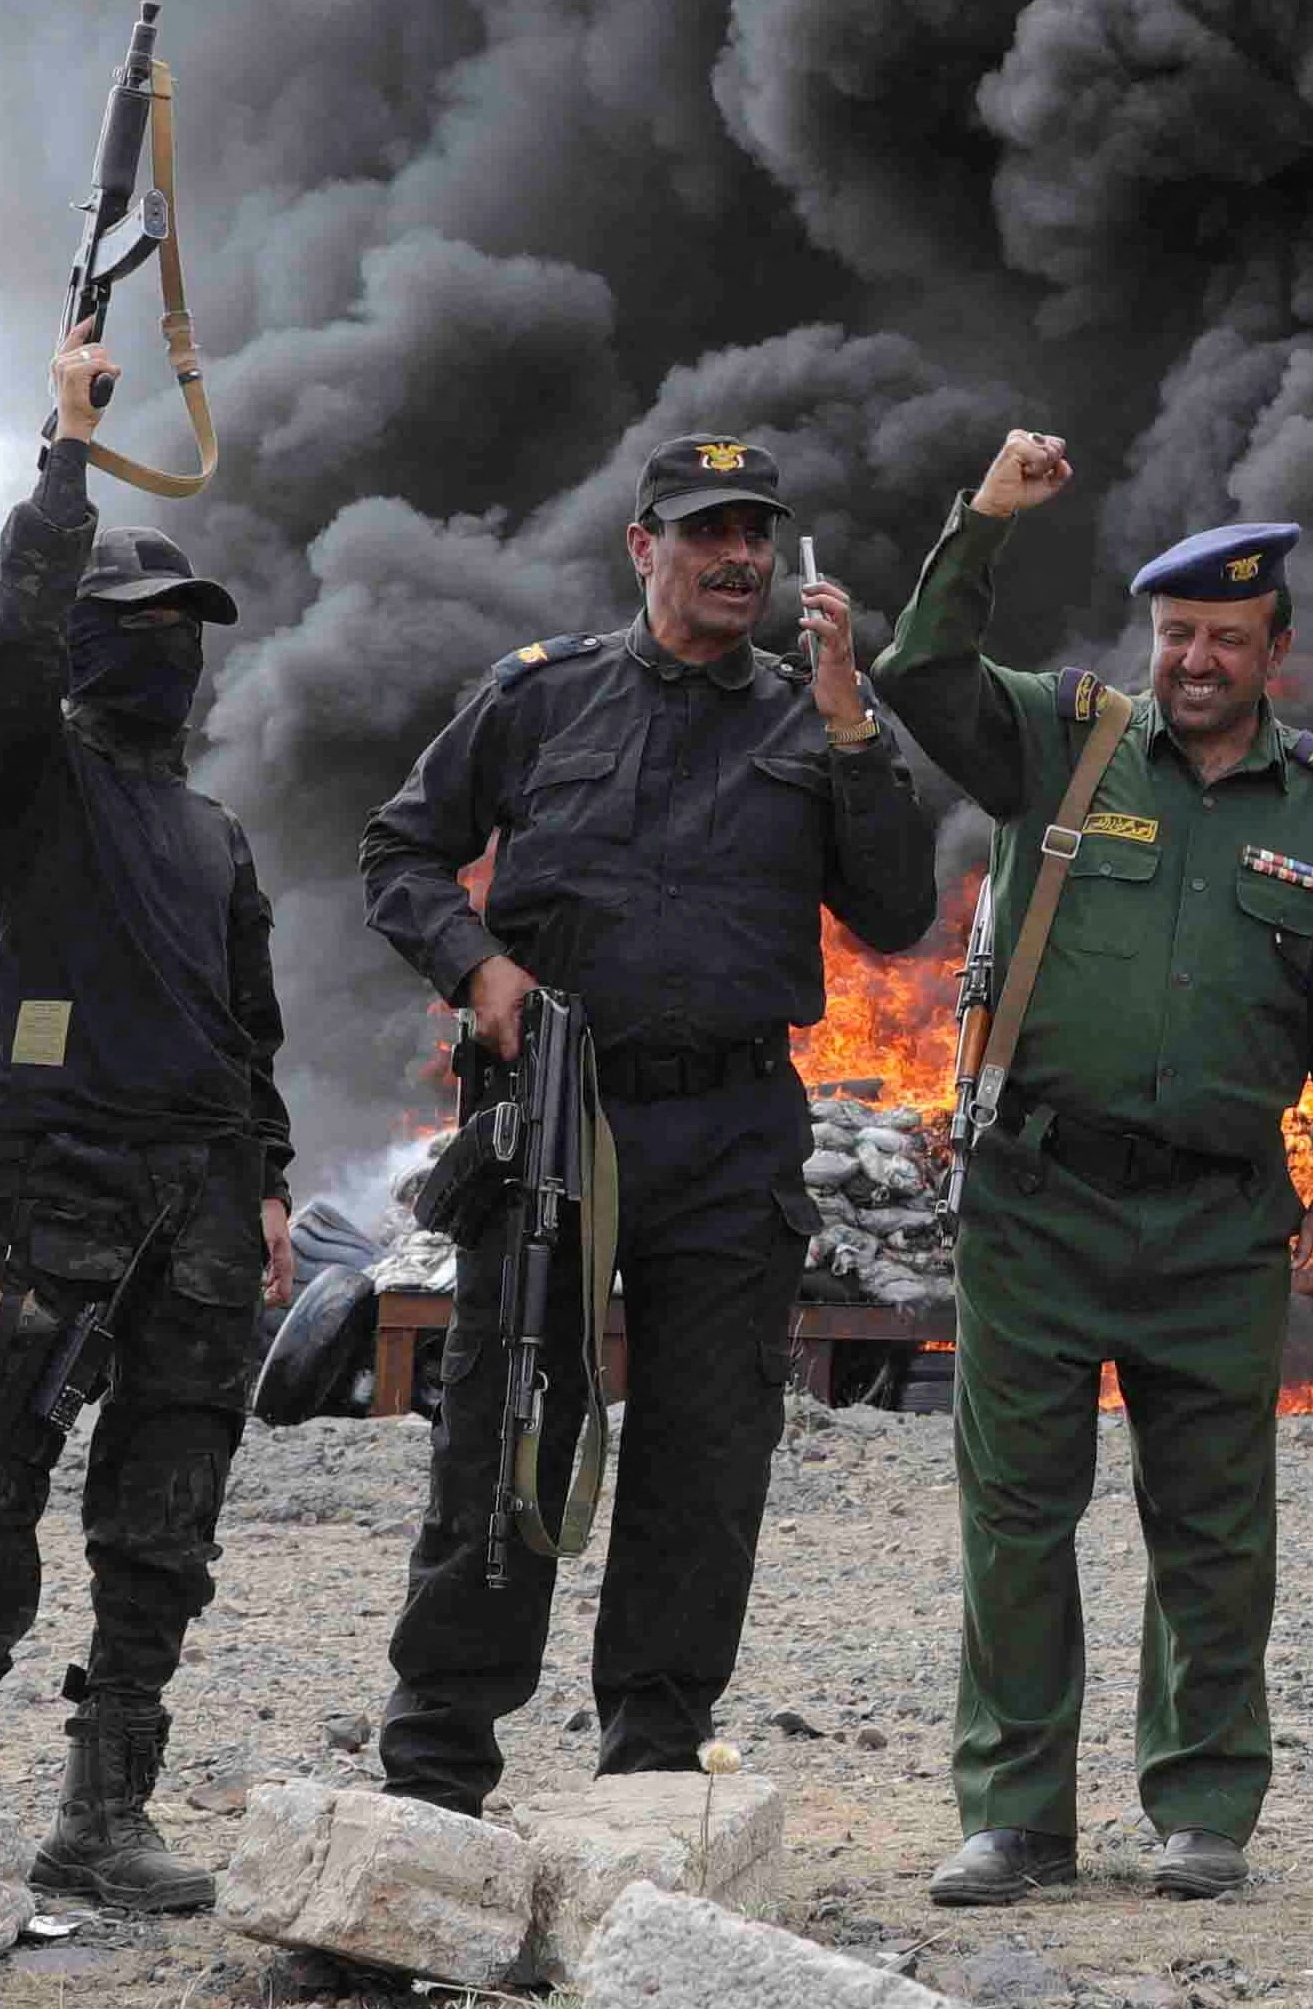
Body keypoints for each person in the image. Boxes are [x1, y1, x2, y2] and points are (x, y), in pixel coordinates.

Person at [870, 434, 1313, 1905]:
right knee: (1018, 1518)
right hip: (1039, 1201)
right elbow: (917, 673)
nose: (1196, 660)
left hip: (1222, 1215)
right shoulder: (1065, 738)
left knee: (1216, 1525)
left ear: (1274, 652)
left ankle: (1202, 1804)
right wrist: (982, 520)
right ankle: (1017, 1813)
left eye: (1227, 638)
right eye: (1176, 634)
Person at [360, 433, 925, 1806]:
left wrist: (853, 722)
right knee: (509, 1426)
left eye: (755, 534)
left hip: (732, 1131)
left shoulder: (815, 717)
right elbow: (400, 849)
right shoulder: (540, 699)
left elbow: (899, 912)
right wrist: (475, 962)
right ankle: (438, 1762)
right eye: (704, 531)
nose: (736, 557)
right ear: (643, 546)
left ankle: (655, 1765)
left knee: (707, 1449)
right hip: (556, 1114)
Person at [0, 319, 296, 1901]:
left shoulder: (213, 834)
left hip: (195, 1210)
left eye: (188, 624)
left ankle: (107, 1806)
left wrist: (265, 1185)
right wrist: (64, 449)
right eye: (140, 622)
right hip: (44, 1190)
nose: (168, 648)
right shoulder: (30, 773)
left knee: (164, 1516)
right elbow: (16, 627)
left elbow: (252, 1034)